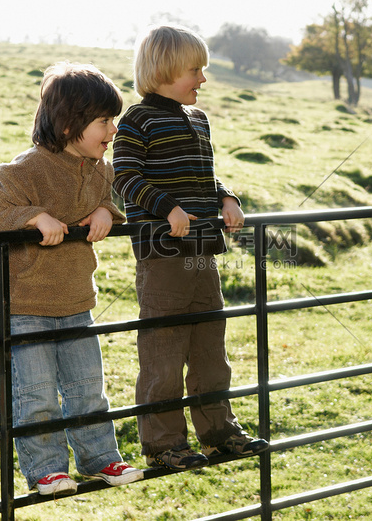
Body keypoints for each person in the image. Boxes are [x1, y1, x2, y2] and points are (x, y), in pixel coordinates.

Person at [0, 62, 143, 496]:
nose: (112, 130)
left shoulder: (100, 168)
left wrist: (107, 212)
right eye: (104, 121)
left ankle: (99, 458)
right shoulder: (28, 168)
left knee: (88, 389)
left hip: (75, 299)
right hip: (27, 302)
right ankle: (47, 469)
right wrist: (34, 216)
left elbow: (109, 197)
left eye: (113, 120)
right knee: (36, 395)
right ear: (70, 124)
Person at [112, 25, 269, 470]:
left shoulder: (198, 120)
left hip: (203, 253)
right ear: (163, 71)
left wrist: (227, 198)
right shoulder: (138, 121)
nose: (203, 79)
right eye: (194, 70)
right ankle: (164, 445)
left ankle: (219, 432)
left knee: (209, 349)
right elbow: (124, 177)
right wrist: (167, 209)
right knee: (164, 351)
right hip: (163, 258)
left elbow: (205, 175)